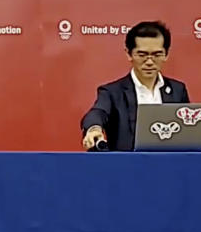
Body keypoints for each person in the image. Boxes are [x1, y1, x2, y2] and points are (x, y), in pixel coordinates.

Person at [81, 21, 190, 151]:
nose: (149, 62)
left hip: (170, 165)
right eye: (142, 55)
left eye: (156, 55)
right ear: (129, 54)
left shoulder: (178, 90)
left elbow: (187, 133)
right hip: (127, 166)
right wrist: (94, 128)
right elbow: (98, 112)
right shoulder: (112, 92)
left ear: (166, 54)